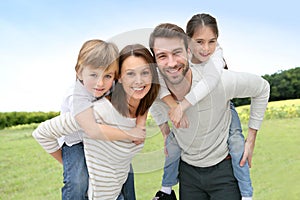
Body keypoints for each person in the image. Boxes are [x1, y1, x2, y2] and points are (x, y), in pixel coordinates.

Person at [149, 23, 270, 200]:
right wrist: (165, 132)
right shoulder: (155, 90)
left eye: (177, 52)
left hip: (224, 170)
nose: (172, 62)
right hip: (188, 174)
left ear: (189, 51)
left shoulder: (221, 81)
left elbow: (262, 88)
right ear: (155, 61)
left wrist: (251, 139)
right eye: (162, 56)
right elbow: (150, 101)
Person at [33, 43, 160, 199]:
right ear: (79, 73)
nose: (100, 83)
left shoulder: (114, 87)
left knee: (127, 177)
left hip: (98, 142)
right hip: (74, 140)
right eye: (130, 74)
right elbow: (91, 129)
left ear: (114, 76)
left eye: (107, 76)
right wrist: (130, 134)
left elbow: (144, 98)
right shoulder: (79, 100)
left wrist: (140, 124)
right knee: (78, 181)